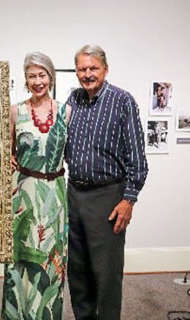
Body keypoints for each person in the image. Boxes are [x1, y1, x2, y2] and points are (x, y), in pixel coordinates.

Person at [65, 44, 148, 320]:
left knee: (107, 273)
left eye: (93, 68)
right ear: (76, 71)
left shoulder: (122, 101)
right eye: (82, 69)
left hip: (108, 198)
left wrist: (129, 200)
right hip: (73, 195)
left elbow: (138, 158)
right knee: (77, 271)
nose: (87, 74)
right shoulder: (72, 101)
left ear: (105, 69)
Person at [1, 52, 71, 320]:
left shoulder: (66, 111)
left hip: (55, 195)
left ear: (51, 78)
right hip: (24, 193)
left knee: (52, 260)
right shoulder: (15, 111)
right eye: (32, 76)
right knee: (20, 260)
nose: (37, 81)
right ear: (25, 79)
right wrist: (8, 158)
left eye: (42, 75)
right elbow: (6, 151)